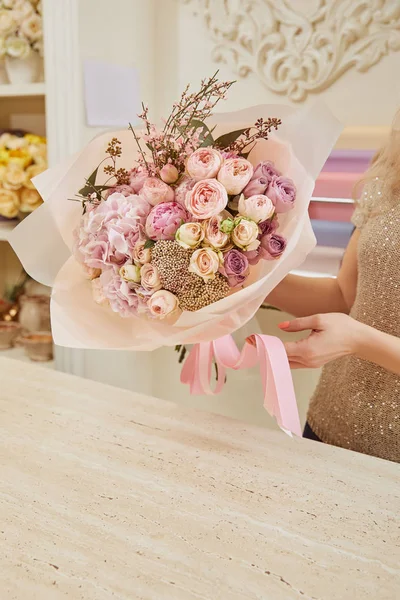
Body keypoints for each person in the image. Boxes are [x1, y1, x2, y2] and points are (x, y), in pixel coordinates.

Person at [267, 111, 400, 462]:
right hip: (329, 427)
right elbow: (345, 298)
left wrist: (359, 339)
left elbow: (355, 329)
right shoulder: (388, 179)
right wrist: (250, 284)